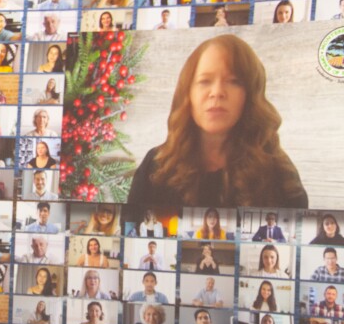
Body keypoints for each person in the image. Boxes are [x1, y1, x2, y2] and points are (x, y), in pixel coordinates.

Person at [127, 35, 308, 208]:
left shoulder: (280, 174)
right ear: (187, 92)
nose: (217, 92)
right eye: (205, 81)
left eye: (234, 81)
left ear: (250, 95)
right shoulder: (155, 167)